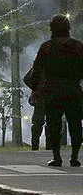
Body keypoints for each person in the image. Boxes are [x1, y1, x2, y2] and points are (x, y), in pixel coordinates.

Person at [25, 14, 83, 167]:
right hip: (73, 90)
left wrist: (36, 90)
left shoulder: (47, 47)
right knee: (75, 124)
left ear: (52, 29)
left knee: (53, 126)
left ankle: (57, 157)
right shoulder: (78, 46)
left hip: (53, 91)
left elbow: (36, 71)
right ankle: (74, 157)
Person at [23, 67, 51, 151]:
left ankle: (49, 147)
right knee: (37, 123)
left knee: (51, 123)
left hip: (52, 98)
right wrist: (37, 88)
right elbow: (27, 79)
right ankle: (35, 146)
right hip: (40, 98)